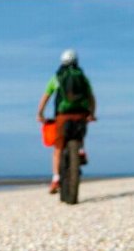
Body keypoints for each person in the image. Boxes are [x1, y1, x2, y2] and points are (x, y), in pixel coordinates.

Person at [37, 49, 96, 194]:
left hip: (62, 115)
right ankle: (80, 150)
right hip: (81, 114)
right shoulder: (82, 77)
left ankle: (56, 178)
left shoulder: (56, 78)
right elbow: (91, 98)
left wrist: (40, 114)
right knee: (80, 133)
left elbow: (46, 97)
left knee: (58, 148)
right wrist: (91, 114)